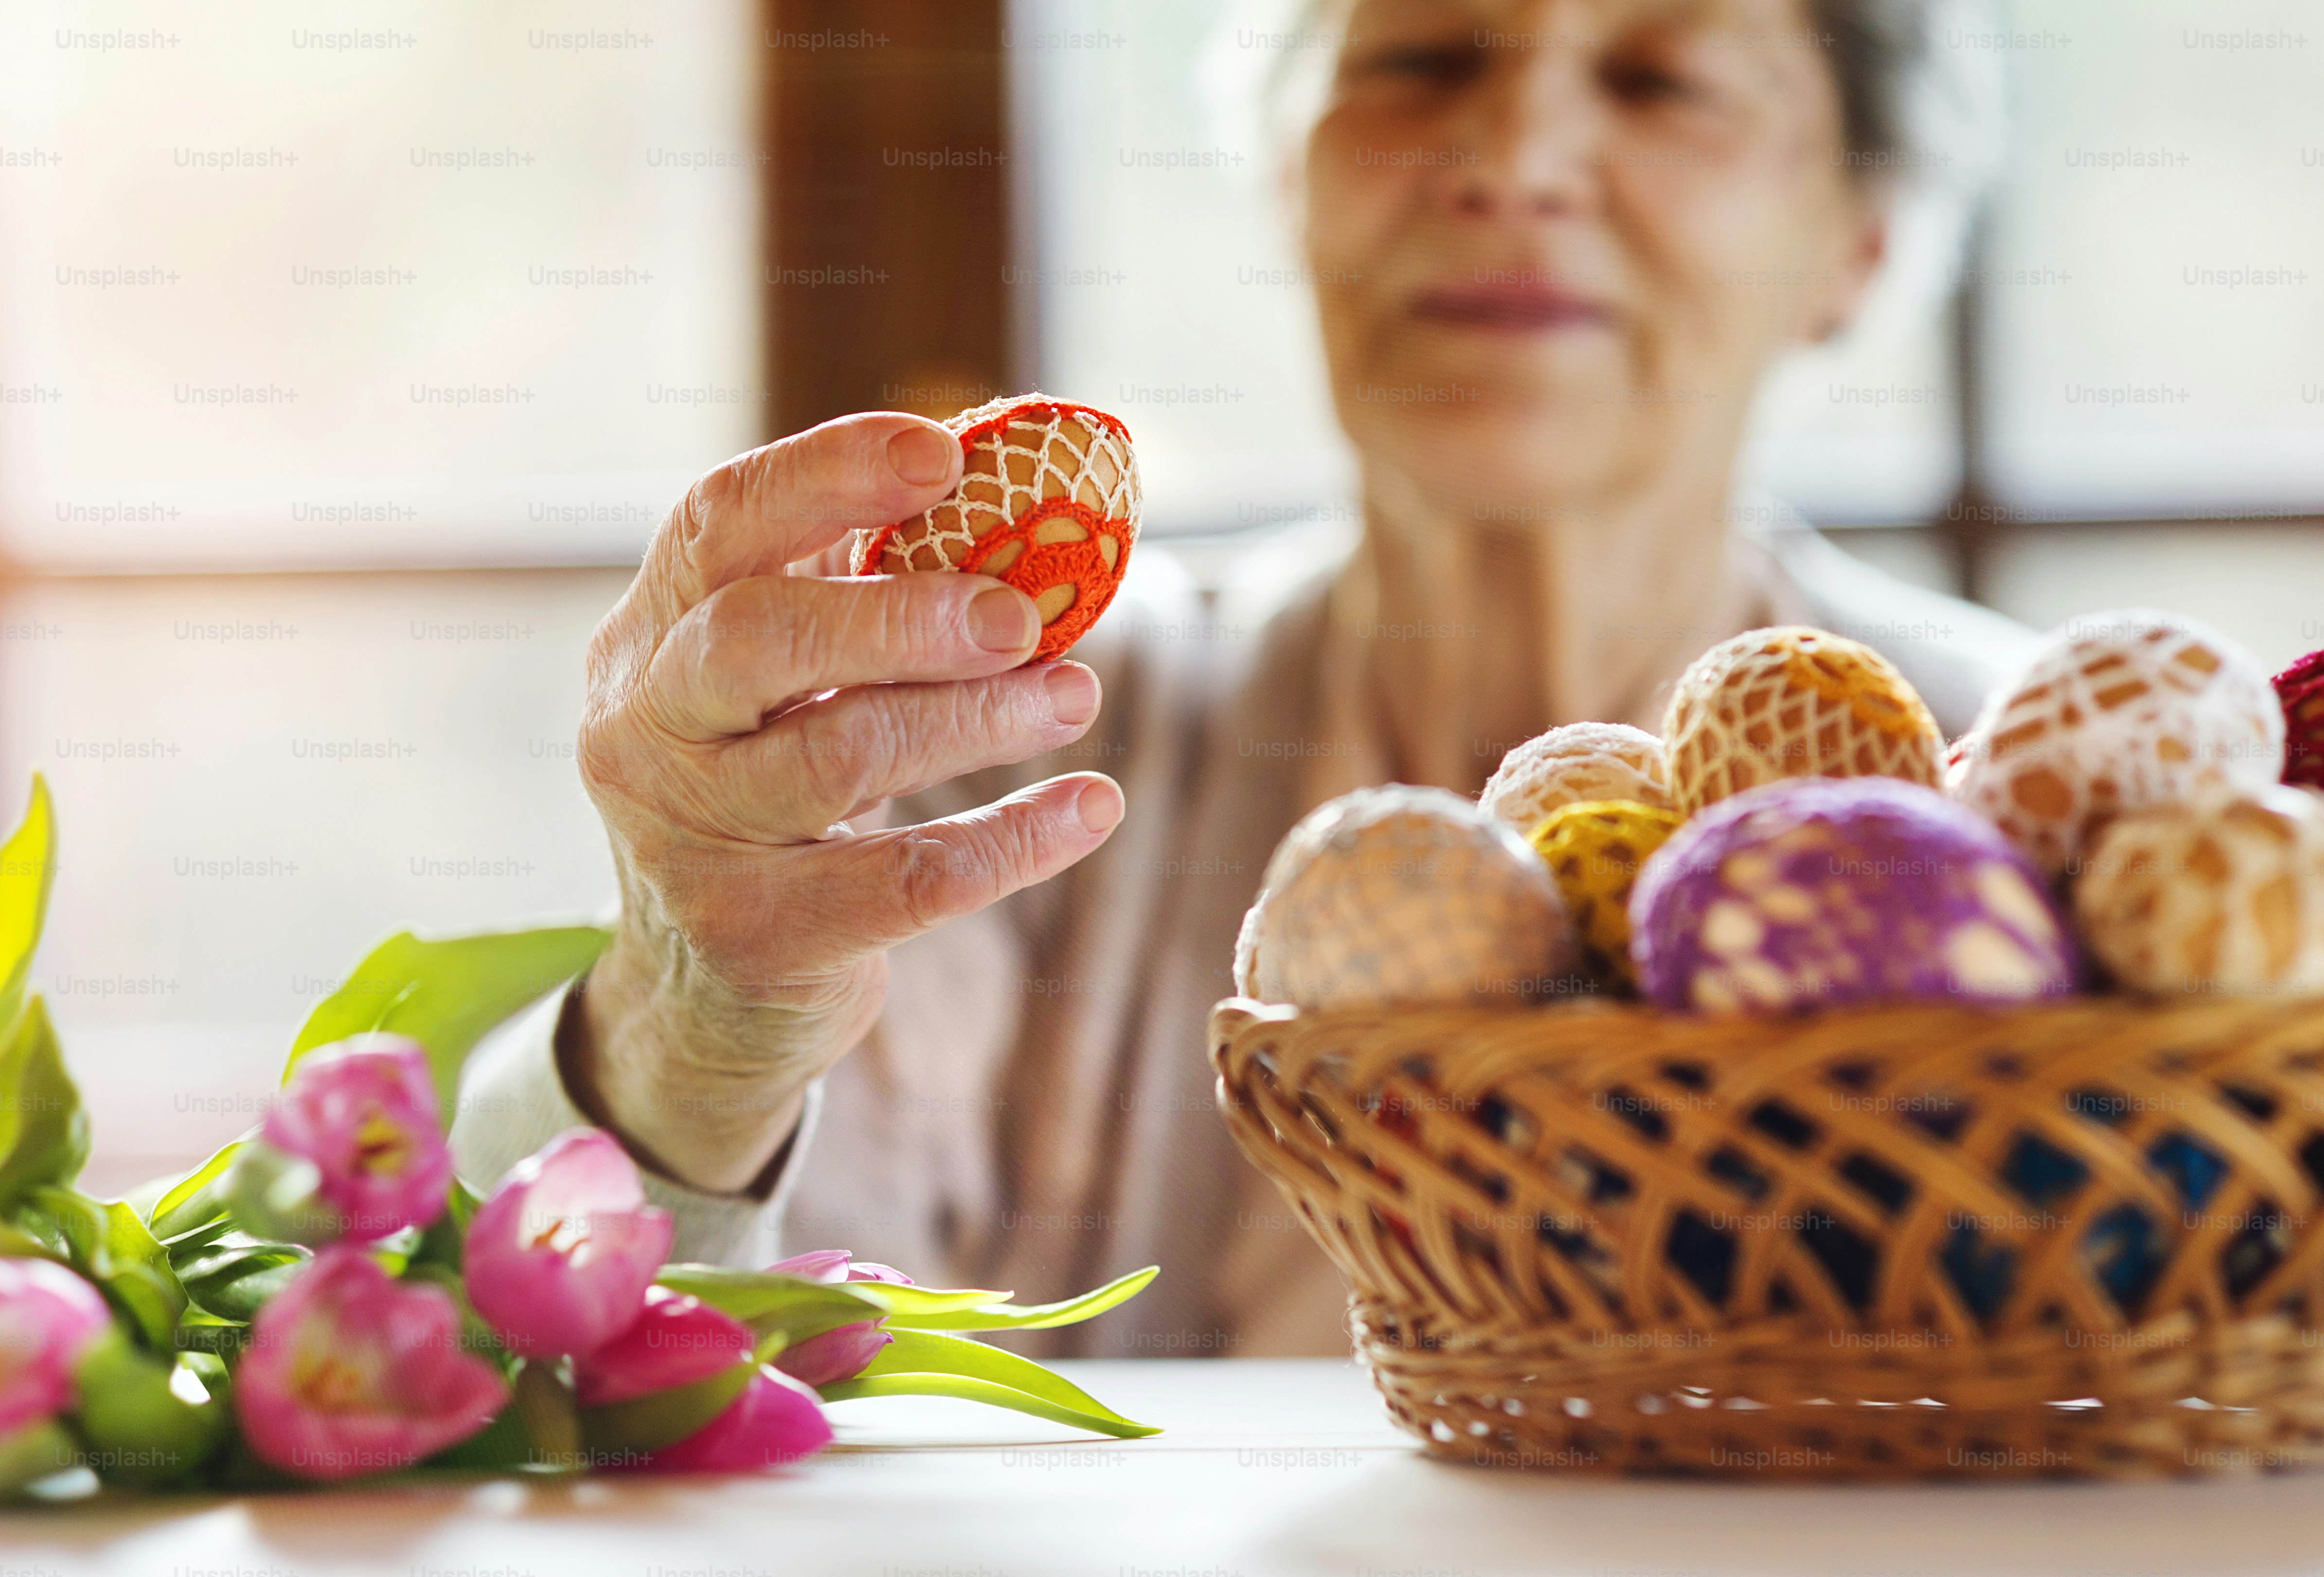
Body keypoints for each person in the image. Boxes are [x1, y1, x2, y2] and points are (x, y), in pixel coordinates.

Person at [449, 0, 2036, 1356]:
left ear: (1861, 239)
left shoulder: (2022, 789)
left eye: (1660, 80)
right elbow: (643, 1350)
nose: (1510, 161)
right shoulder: (1003, 735)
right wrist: (690, 1025)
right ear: (1288, 173)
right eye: (1418, 55)